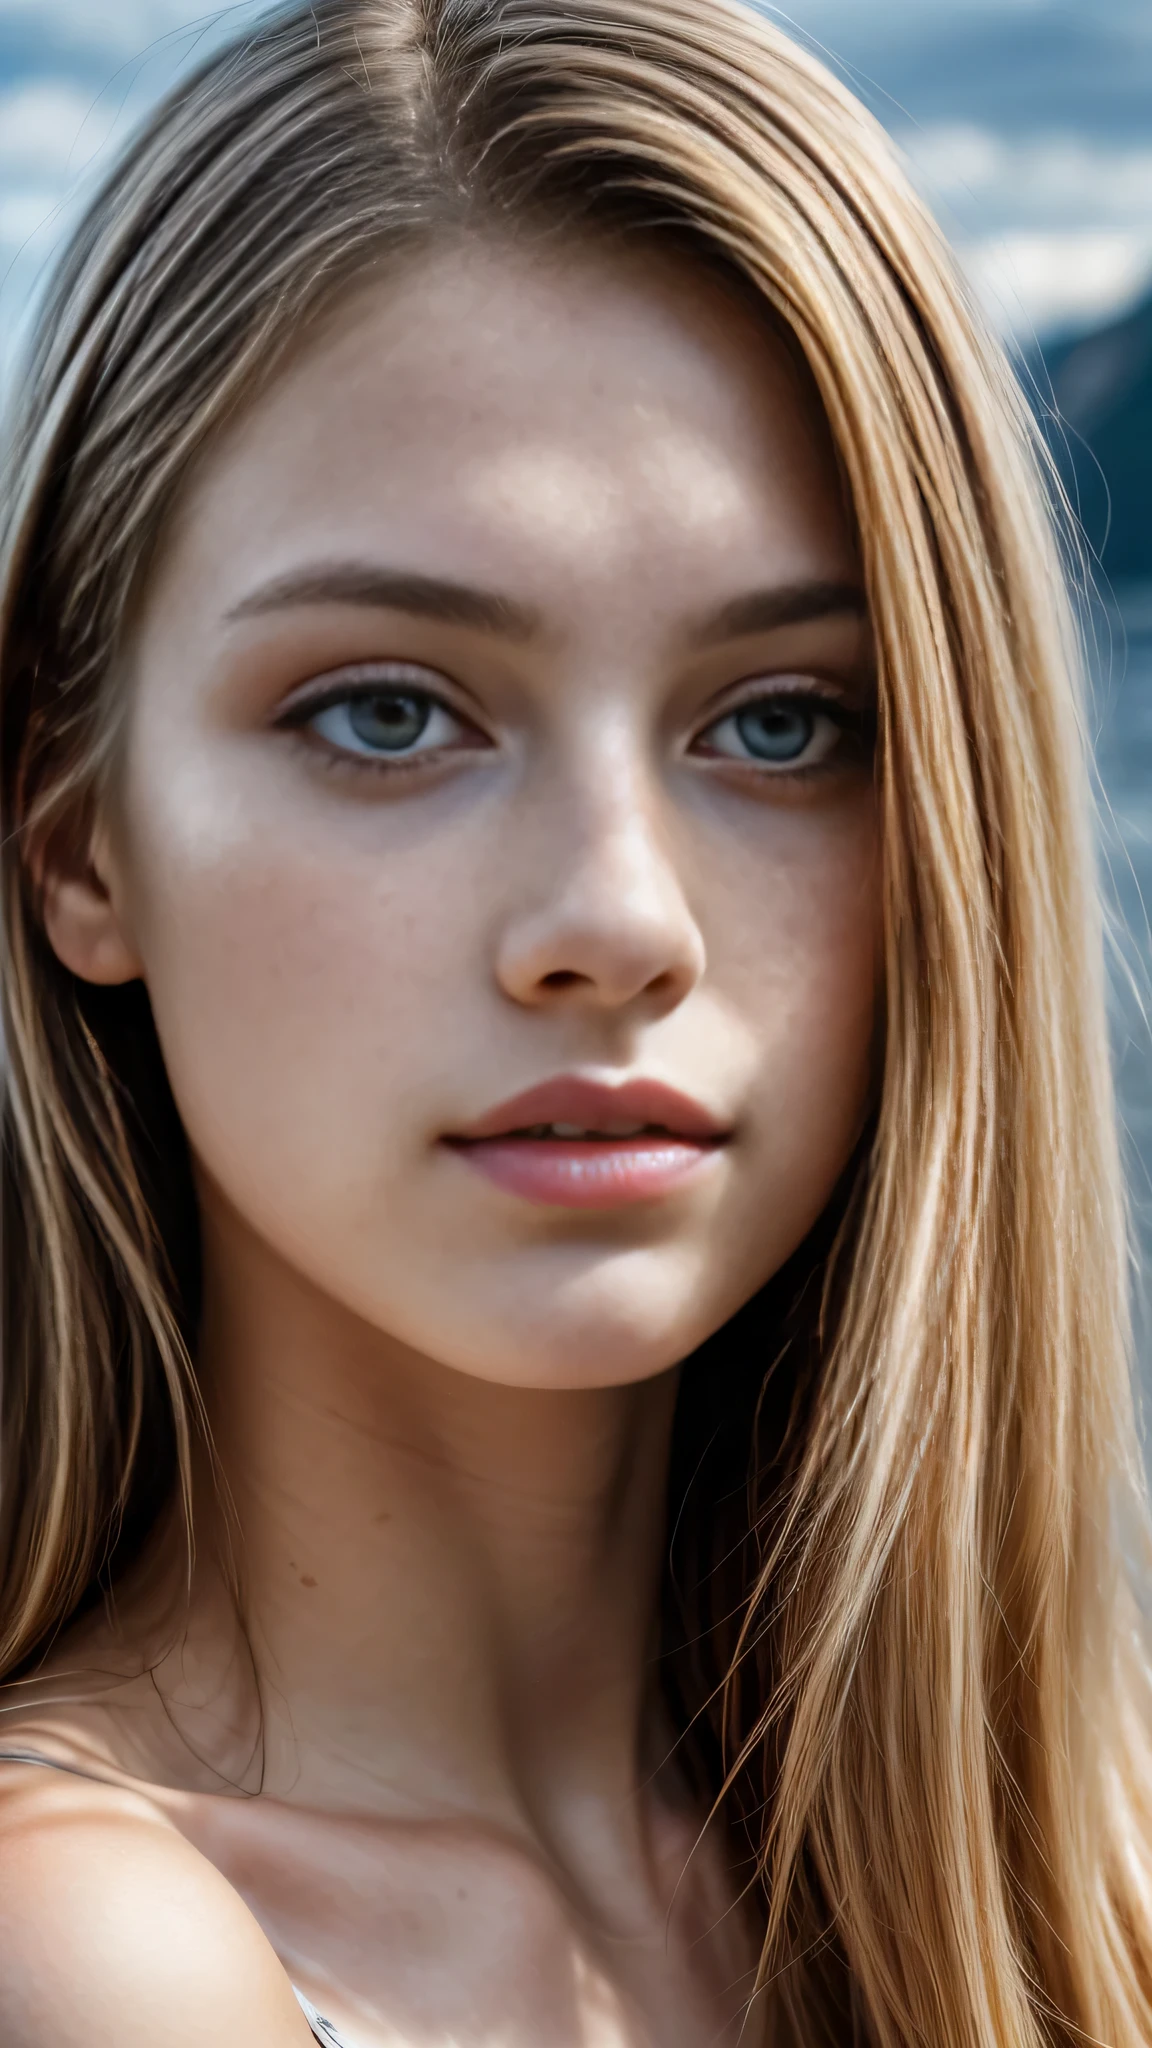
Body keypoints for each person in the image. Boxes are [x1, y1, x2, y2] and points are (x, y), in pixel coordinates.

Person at [0, 0, 1149, 2040]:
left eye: (783, 724)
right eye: (386, 711)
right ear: (78, 837)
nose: (615, 922)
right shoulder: (90, 1955)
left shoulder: (1058, 1872)